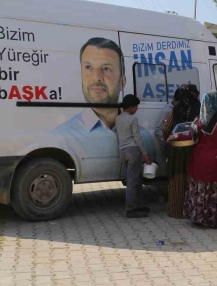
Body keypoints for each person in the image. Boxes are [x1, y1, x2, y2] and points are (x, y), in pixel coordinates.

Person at [50, 38, 155, 182]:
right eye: (88, 67)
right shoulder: (61, 138)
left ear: (122, 82)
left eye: (106, 69)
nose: (97, 77)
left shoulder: (146, 136)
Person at [184, 91, 217, 228]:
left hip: (199, 159)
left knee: (199, 189)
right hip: (216, 160)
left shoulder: (199, 119)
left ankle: (198, 218)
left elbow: (191, 136)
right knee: (215, 191)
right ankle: (214, 219)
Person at [165, 84, 201, 219]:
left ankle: (175, 211)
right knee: (191, 179)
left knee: (177, 179)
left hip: (177, 150)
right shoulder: (199, 109)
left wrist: (171, 139)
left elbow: (166, 129)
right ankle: (190, 211)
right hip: (193, 149)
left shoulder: (176, 109)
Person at [115, 95, 152, 218]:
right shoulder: (133, 119)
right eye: (136, 107)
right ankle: (130, 209)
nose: (137, 109)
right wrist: (145, 153)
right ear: (131, 107)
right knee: (133, 181)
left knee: (135, 179)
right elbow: (137, 137)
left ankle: (138, 205)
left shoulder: (118, 119)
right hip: (133, 151)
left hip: (123, 152)